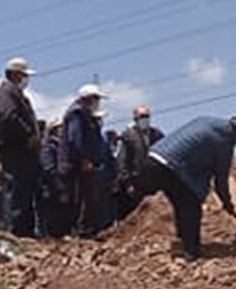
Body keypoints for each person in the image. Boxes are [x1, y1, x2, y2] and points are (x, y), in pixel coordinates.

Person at [137, 116, 236, 260]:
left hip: (152, 158)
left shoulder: (205, 120)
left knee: (180, 201)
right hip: (173, 166)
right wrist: (227, 203)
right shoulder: (225, 142)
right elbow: (220, 180)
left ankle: (182, 239)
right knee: (191, 206)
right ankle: (191, 252)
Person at [0, 57, 40, 237]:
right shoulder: (7, 92)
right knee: (16, 192)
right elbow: (9, 118)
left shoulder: (14, 93)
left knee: (23, 191)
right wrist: (27, 136)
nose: (26, 79)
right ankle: (17, 232)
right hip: (15, 152)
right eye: (23, 75)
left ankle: (25, 231)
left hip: (20, 152)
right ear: (15, 74)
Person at [61, 83, 111, 237]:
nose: (97, 102)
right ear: (87, 98)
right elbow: (75, 139)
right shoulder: (77, 114)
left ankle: (86, 230)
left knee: (89, 198)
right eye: (95, 98)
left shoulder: (84, 114)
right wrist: (84, 159)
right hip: (79, 165)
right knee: (83, 198)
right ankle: (81, 232)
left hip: (86, 164)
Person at [116, 106, 163, 220]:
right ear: (135, 118)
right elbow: (122, 161)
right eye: (142, 116)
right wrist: (127, 183)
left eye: (147, 116)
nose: (145, 119)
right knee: (131, 215)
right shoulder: (128, 135)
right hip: (135, 182)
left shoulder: (156, 134)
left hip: (153, 182)